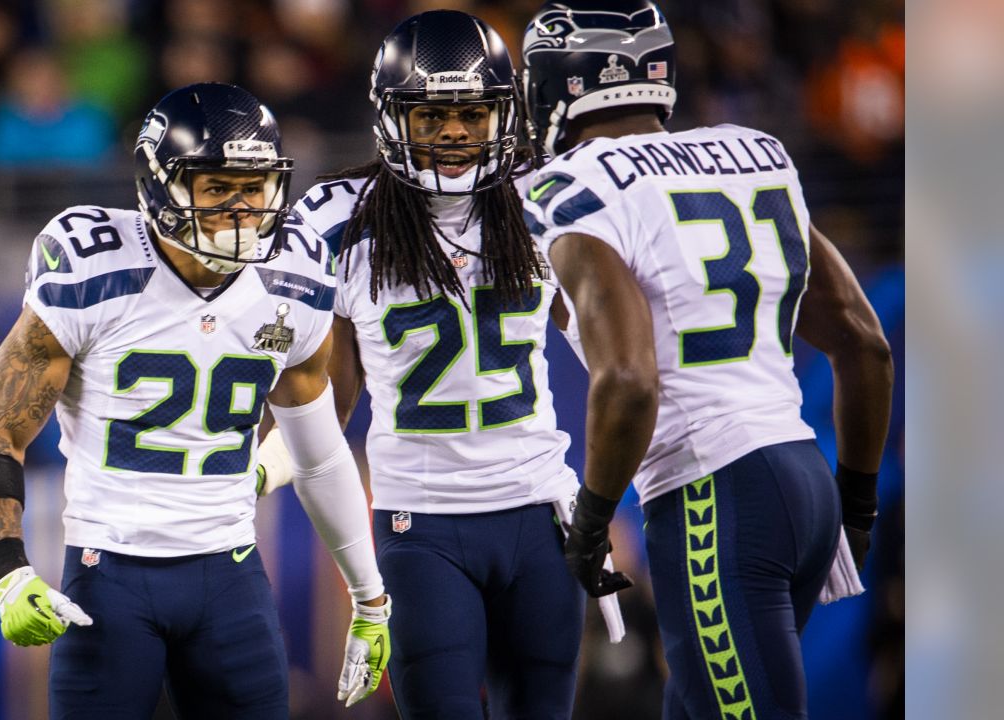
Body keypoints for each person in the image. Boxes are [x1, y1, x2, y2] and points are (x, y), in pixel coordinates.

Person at [0, 82, 391, 719]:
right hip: (109, 575)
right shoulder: (93, 267)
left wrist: (370, 597)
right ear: (160, 187)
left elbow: (321, 451)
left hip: (230, 572)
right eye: (217, 188)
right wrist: (10, 572)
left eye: (256, 187)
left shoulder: (294, 279)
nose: (242, 210)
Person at [520, 2, 894, 718]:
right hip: (803, 475)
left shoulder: (574, 189)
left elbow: (628, 382)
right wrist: (857, 506)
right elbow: (865, 345)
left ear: (560, 87)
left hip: (714, 496)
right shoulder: (754, 152)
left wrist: (590, 525)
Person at [266, 11, 589, 719]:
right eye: (431, 114)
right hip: (423, 524)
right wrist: (255, 468)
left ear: (503, 115)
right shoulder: (341, 223)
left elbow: (609, 351)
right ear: (391, 119)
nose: (453, 132)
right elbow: (322, 400)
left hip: (539, 512)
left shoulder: (545, 200)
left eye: (473, 113)